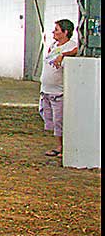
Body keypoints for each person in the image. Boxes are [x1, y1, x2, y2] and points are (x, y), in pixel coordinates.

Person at [39, 19, 78, 158]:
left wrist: (63, 55)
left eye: (57, 29)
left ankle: (61, 146)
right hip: (46, 89)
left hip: (58, 92)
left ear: (65, 32)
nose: (53, 32)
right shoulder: (54, 45)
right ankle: (59, 144)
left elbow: (76, 50)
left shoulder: (70, 46)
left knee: (59, 120)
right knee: (49, 118)